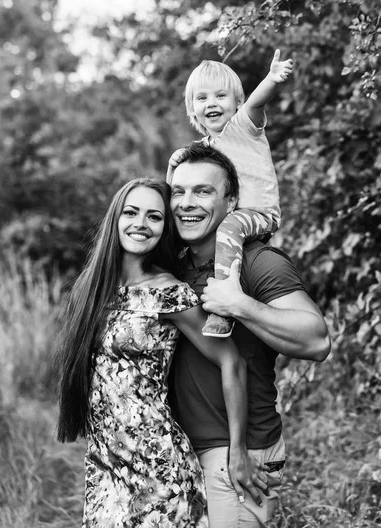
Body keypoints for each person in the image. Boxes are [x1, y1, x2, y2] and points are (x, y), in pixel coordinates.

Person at [56, 177, 257, 528]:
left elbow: (231, 361)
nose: (140, 224)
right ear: (115, 218)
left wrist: (238, 448)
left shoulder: (168, 293)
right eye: (131, 212)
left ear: (165, 228)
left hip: (157, 463)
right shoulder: (91, 291)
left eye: (154, 216)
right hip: (105, 465)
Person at [168, 143, 331, 528]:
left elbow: (316, 340)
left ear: (232, 201)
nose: (187, 203)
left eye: (203, 191)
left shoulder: (258, 261)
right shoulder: (174, 265)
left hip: (240, 458)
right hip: (181, 451)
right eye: (179, 191)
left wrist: (238, 304)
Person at [167, 50, 293, 337]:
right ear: (192, 109)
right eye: (202, 98)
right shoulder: (204, 148)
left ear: (237, 102)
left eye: (220, 96)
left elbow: (257, 102)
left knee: (229, 225)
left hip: (260, 214)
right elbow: (175, 187)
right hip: (232, 223)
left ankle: (225, 301)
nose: (211, 103)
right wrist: (175, 160)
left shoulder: (243, 128)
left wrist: (272, 79)